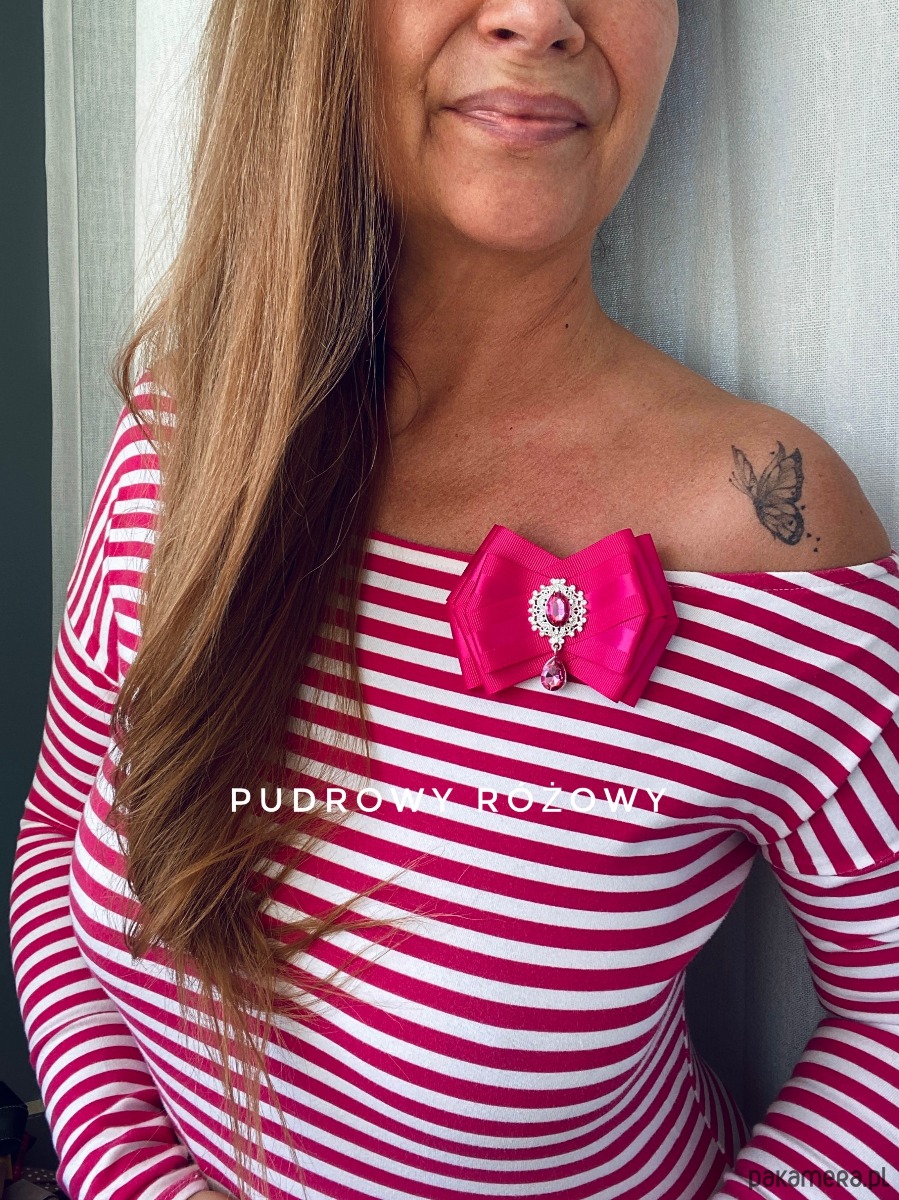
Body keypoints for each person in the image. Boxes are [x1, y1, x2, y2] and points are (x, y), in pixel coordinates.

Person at [10, 1, 899, 1199]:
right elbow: (55, 832)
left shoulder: (774, 536)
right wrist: (133, 1177)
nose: (538, 16)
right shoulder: (181, 441)